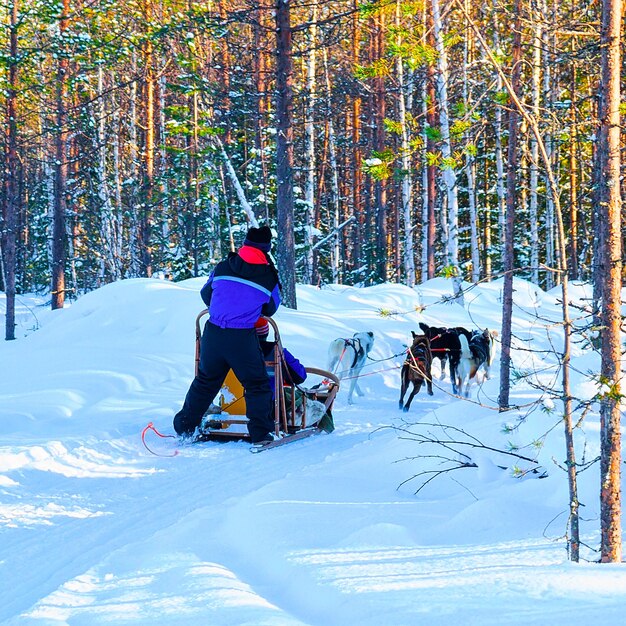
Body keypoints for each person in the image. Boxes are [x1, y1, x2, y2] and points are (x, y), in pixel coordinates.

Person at [173, 225, 281, 444]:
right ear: (267, 248)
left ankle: (185, 426)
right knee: (256, 384)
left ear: (245, 244)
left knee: (206, 381)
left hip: (212, 333)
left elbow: (206, 294)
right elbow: (271, 308)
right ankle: (261, 434)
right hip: (241, 336)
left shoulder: (223, 266)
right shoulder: (268, 276)